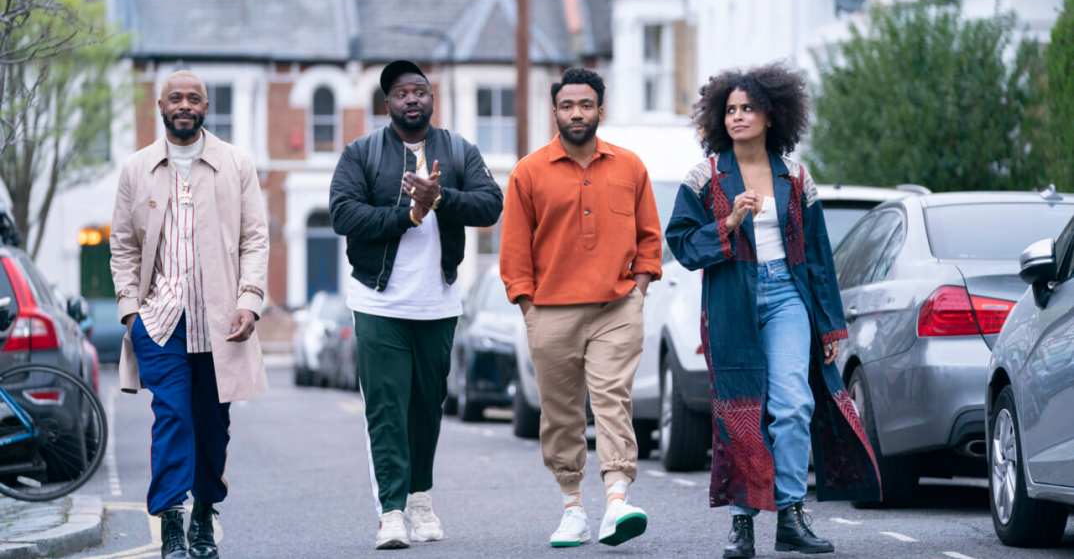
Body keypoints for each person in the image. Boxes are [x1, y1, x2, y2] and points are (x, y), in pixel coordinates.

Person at [664, 63, 882, 558]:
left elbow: (820, 257)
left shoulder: (796, 177)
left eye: (749, 108)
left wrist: (830, 325)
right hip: (730, 301)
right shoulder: (706, 177)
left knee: (794, 404)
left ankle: (790, 515)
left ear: (772, 115)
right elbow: (682, 245)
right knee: (741, 411)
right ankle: (742, 522)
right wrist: (730, 220)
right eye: (731, 109)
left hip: (788, 296)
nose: (738, 117)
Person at [329, 60, 503, 550]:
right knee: (386, 410)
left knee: (426, 408)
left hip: (438, 302)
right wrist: (408, 214)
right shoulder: (361, 154)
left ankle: (421, 499)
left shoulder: (459, 150)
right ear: (388, 104)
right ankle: (390, 512)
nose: (412, 100)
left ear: (432, 100)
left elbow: (491, 204)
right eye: (402, 93)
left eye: (420, 92)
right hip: (379, 301)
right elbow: (343, 213)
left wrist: (440, 197)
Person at [499, 68, 662, 548]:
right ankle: (573, 505)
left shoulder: (630, 167)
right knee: (561, 411)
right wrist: (528, 306)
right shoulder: (528, 172)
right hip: (551, 311)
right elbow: (514, 251)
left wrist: (640, 288)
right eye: (568, 106)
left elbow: (650, 237)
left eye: (586, 105)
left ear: (600, 110)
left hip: (617, 306)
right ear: (555, 111)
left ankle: (616, 498)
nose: (577, 114)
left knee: (612, 397)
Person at [110, 70, 270, 559]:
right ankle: (172, 521)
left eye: (194, 98)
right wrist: (130, 312)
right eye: (175, 97)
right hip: (159, 322)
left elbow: (255, 239)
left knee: (211, 424)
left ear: (206, 106)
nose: (184, 104)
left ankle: (205, 511)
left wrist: (250, 300)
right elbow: (123, 246)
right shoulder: (137, 169)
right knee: (173, 416)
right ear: (160, 106)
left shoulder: (235, 164)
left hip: (222, 321)